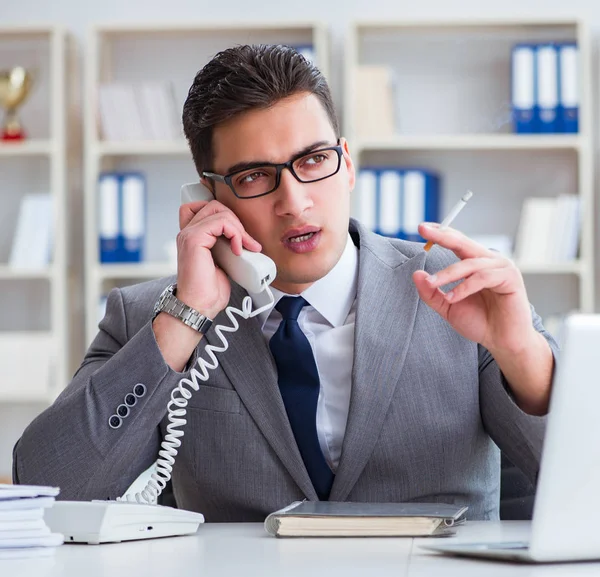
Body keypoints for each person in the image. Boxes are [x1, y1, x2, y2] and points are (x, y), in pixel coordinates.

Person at [13, 44, 557, 522]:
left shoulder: (462, 288)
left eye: (313, 160)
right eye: (254, 176)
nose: (294, 202)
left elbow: (583, 485)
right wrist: (185, 319)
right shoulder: (149, 315)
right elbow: (51, 490)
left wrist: (521, 355)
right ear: (207, 197)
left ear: (345, 164)